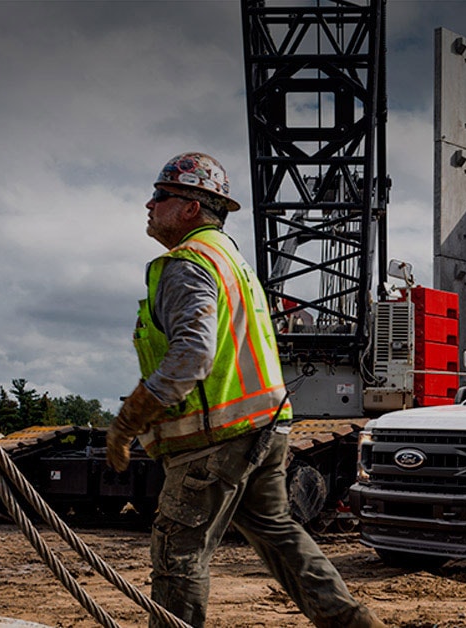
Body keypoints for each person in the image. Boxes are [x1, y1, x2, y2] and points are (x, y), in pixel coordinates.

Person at [105, 152, 384, 628]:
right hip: (264, 427)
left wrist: (130, 419)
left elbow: (191, 357)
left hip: (214, 438)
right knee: (279, 535)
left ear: (191, 207)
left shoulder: (186, 264)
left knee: (178, 553)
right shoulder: (232, 262)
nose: (148, 204)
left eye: (160, 195)